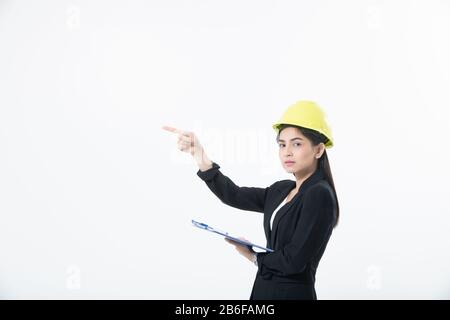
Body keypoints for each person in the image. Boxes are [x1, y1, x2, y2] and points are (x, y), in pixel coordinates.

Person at [162, 100, 339, 300]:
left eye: (297, 144)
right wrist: (199, 155)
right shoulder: (282, 189)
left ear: (319, 150)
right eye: (282, 145)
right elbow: (234, 195)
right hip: (263, 291)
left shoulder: (319, 194)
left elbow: (293, 261)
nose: (287, 152)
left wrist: (252, 256)